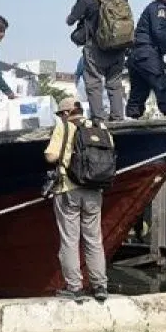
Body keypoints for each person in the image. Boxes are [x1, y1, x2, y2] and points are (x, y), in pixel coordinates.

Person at [45, 97, 109, 302]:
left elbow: (50, 156)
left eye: (60, 114)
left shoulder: (64, 127)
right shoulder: (100, 127)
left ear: (66, 113)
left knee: (70, 240)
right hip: (95, 190)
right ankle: (100, 286)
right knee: (94, 239)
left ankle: (75, 287)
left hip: (69, 190)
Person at [66, 0, 131, 121]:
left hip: (96, 48)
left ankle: (99, 119)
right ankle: (118, 118)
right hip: (119, 46)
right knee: (115, 83)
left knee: (94, 83)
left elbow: (70, 20)